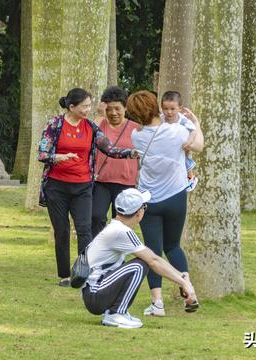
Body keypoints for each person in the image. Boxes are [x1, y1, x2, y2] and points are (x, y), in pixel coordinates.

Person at [37, 87, 137, 287]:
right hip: (56, 187)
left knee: (85, 230)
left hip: (82, 187)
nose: (88, 110)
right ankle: (65, 275)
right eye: (84, 106)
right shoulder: (55, 125)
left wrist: (130, 153)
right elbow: (42, 153)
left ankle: (83, 274)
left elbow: (109, 148)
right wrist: (59, 157)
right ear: (71, 106)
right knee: (62, 230)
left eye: (90, 106)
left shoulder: (90, 127)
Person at [128, 90, 204, 316]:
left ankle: (157, 303)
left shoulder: (136, 136)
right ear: (157, 108)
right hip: (176, 197)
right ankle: (189, 290)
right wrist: (196, 122)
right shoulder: (178, 131)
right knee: (173, 246)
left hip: (149, 200)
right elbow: (198, 145)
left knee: (153, 253)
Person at [82, 188, 198, 329]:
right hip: (95, 294)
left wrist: (182, 278)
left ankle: (117, 312)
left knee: (141, 263)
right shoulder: (121, 231)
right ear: (139, 212)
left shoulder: (118, 228)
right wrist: (184, 283)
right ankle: (115, 313)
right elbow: (153, 261)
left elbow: (154, 258)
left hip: (95, 292)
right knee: (139, 265)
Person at [91, 86, 141, 238]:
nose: (113, 113)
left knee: (121, 223)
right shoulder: (100, 125)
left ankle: (117, 257)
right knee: (96, 216)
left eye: (117, 108)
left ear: (125, 108)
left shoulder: (136, 129)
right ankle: (97, 251)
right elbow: (90, 135)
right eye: (109, 109)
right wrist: (100, 115)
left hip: (126, 183)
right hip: (102, 182)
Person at [160, 91, 198, 191]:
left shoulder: (183, 120)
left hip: (181, 147)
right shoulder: (161, 119)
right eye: (166, 109)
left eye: (172, 109)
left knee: (185, 160)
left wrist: (189, 141)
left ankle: (190, 177)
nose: (169, 112)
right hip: (166, 148)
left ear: (179, 108)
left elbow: (193, 130)